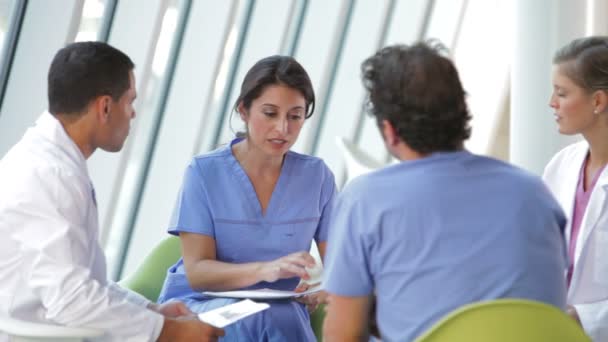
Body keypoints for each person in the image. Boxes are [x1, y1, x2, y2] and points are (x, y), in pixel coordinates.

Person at [322, 41, 569, 341]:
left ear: (389, 130)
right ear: (461, 111)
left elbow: (343, 335)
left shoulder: (365, 199)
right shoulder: (534, 192)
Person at [0, 41, 224, 342]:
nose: (132, 114)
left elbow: (88, 280)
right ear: (105, 107)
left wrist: (153, 312)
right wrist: (168, 331)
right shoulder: (52, 176)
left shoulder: (49, 160)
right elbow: (73, 299)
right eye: (130, 101)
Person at [157, 55, 336, 341]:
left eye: (295, 116)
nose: (283, 129)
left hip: (280, 309)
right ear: (243, 110)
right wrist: (267, 270)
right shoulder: (204, 172)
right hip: (200, 305)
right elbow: (199, 273)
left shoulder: (317, 177)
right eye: (270, 113)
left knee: (279, 314)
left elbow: (339, 264)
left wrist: (326, 289)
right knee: (269, 316)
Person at [544, 36, 608, 341]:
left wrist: (583, 319)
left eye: (561, 93)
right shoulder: (561, 165)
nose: (551, 103)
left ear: (597, 101)